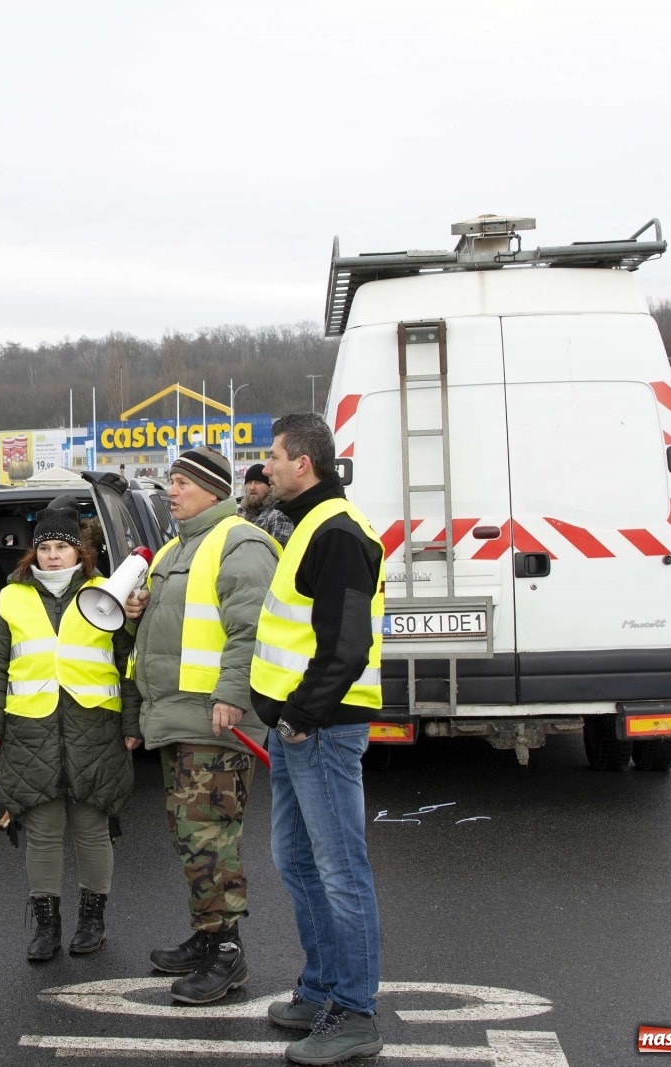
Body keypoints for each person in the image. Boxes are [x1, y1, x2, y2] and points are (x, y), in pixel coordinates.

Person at [249, 412, 385, 1064]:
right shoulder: (310, 527)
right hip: (296, 731)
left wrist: (302, 714)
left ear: (304, 463)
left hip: (321, 732)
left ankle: (355, 1013)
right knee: (297, 862)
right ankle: (322, 986)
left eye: (273, 455)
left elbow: (347, 645)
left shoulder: (338, 534)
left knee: (341, 873)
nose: (265, 466)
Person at [122, 447, 278, 1005]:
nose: (172, 490)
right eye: (171, 481)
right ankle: (207, 935)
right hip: (179, 717)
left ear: (213, 490)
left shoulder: (240, 542)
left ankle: (227, 954)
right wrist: (140, 607)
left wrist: (233, 695)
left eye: (183, 482)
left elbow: (253, 628)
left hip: (216, 719)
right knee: (192, 835)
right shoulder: (175, 547)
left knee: (210, 835)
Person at [0, 496, 139, 961]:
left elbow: (128, 663)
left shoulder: (108, 593)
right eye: (43, 547)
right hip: (31, 729)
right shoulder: (12, 596)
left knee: (92, 829)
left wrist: (132, 721)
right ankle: (46, 925)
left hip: (95, 727)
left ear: (79, 553)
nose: (51, 555)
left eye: (61, 548)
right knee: (43, 832)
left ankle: (92, 921)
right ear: (33, 553)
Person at [239, 462, 294, 545]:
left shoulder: (278, 516)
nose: (252, 487)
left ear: (269, 487)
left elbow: (278, 552)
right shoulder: (239, 514)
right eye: (249, 482)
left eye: (258, 482)